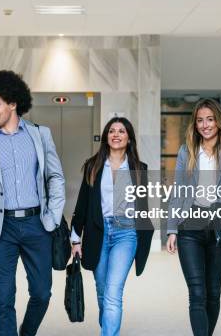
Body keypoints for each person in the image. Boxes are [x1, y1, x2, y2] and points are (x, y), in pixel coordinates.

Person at [0, 70, 65, 336]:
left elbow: (56, 176)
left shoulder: (41, 135)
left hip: (37, 225)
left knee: (42, 293)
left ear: (13, 103)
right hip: (0, 228)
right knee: (4, 299)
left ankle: (26, 332)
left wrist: (52, 217)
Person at [166, 98, 221, 336]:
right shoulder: (187, 152)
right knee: (197, 292)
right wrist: (172, 228)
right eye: (200, 120)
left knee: (213, 292)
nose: (205, 125)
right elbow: (178, 191)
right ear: (195, 125)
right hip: (190, 226)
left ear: (219, 122)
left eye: (210, 119)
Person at [70, 117, 153, 336]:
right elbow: (83, 203)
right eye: (112, 131)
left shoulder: (138, 168)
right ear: (106, 136)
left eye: (122, 131)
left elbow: (143, 207)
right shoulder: (93, 165)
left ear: (129, 138)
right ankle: (107, 325)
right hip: (98, 232)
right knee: (102, 291)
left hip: (126, 233)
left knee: (113, 292)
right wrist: (75, 238)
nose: (116, 135)